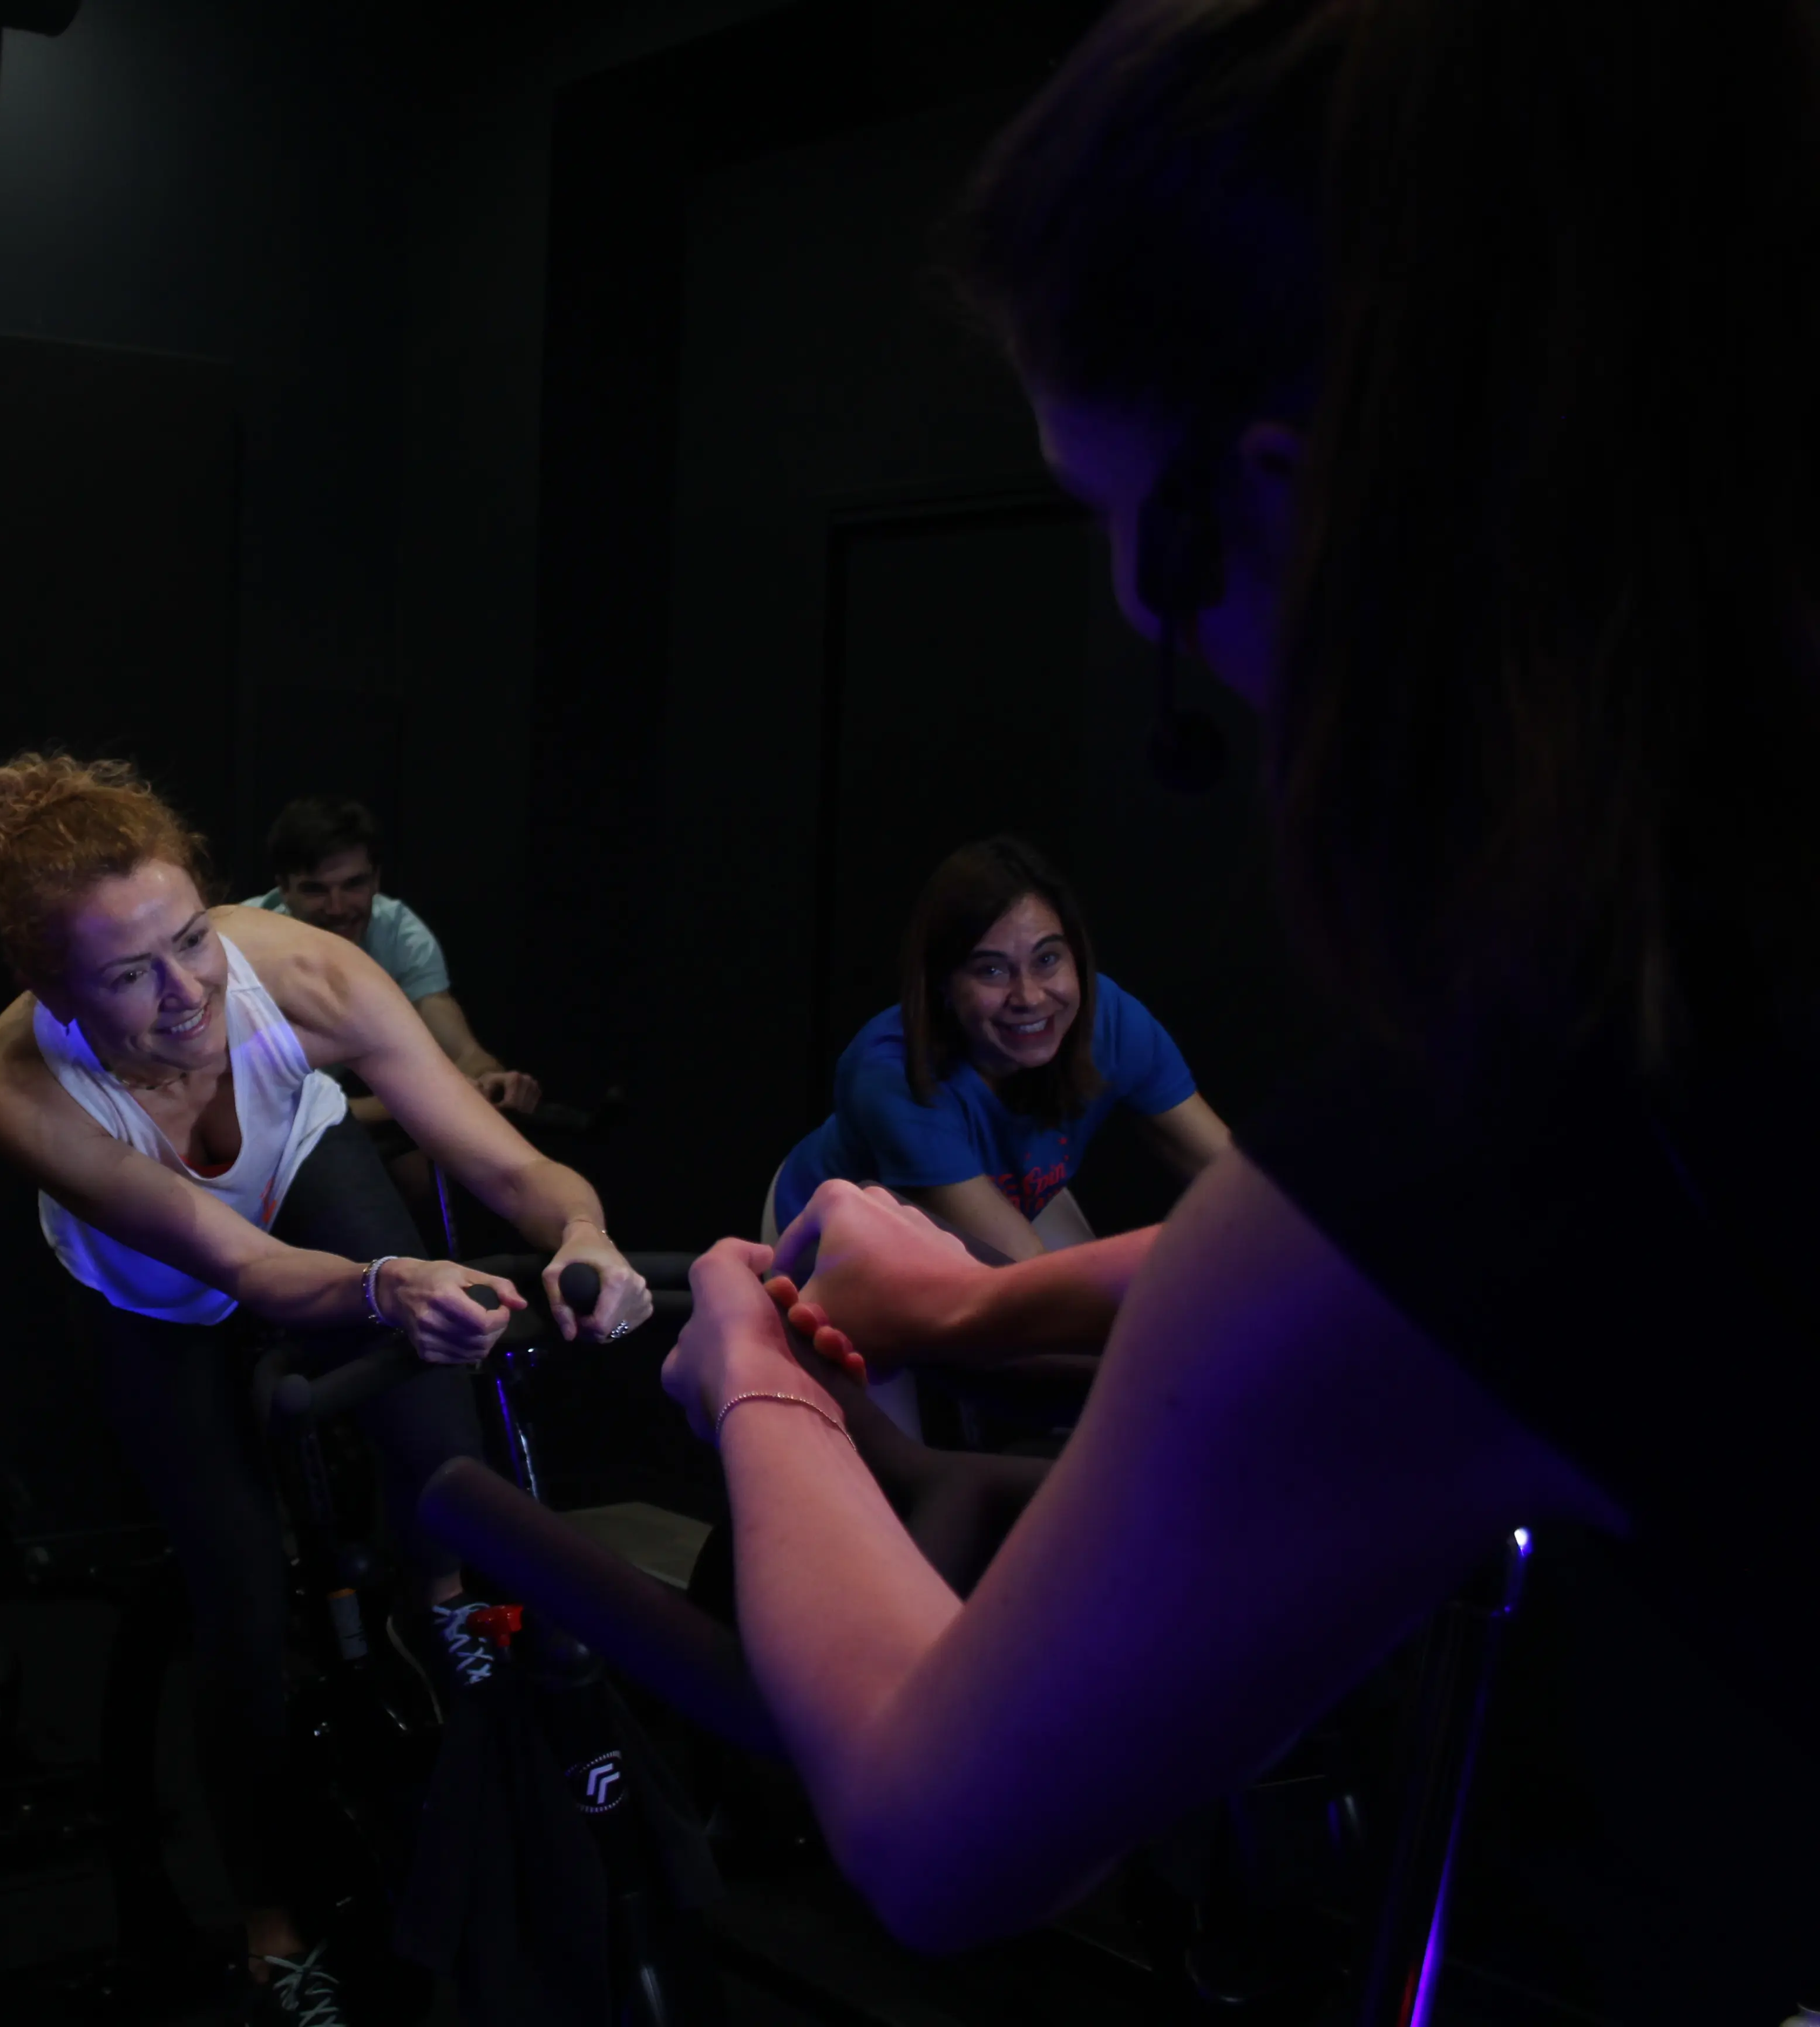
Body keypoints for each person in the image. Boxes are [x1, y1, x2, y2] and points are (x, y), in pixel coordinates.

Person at [658, 0, 1816, 2013]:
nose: (1125, 598)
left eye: (1111, 514)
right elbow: (1288, 1252)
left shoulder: (1522, 1128)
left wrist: (749, 1370)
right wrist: (978, 1303)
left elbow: (948, 1824)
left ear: (1275, 497)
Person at [0, 754, 646, 2025]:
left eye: (191, 942)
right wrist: (388, 1289)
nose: (183, 996)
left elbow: (504, 1165)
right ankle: (272, 1925)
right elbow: (245, 1270)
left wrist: (583, 1236)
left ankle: (429, 1612)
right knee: (239, 1602)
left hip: (303, 1166)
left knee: (445, 1471)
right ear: (52, 989)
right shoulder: (23, 1089)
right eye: (127, 974)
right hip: (154, 1287)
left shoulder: (311, 977)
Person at [764, 835, 1229, 1263]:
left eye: (1048, 959)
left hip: (1008, 1202)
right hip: (828, 1242)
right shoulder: (891, 1075)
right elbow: (1033, 1283)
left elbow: (1235, 1178)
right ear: (943, 983)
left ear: (1077, 958)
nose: (1028, 997)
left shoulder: (1109, 1020)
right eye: (991, 971)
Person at [245, 795, 538, 1115]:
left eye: (354, 884)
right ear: (284, 891)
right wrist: (436, 1097)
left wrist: (490, 1082)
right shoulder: (244, 946)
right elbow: (277, 1115)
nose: (338, 908)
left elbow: (464, 1053)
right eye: (316, 890)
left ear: (376, 880)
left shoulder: (399, 934)